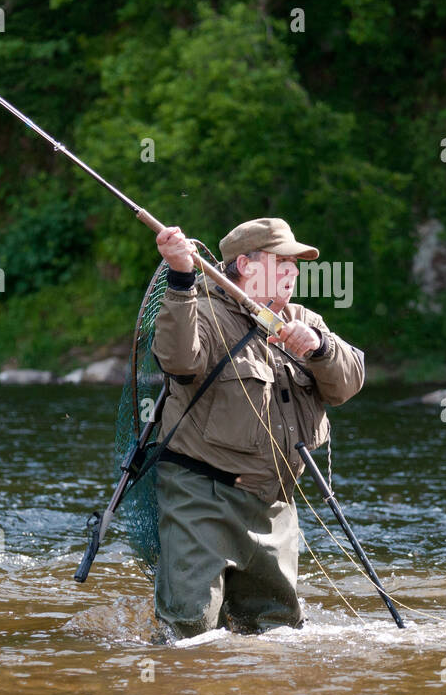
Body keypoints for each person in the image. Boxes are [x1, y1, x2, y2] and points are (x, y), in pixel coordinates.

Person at [150, 217, 365, 640]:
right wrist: (179, 276)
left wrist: (320, 348)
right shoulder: (201, 309)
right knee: (189, 634)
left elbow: (348, 383)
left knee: (276, 635)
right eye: (283, 262)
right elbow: (177, 359)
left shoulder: (303, 318)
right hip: (202, 497)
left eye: (296, 264)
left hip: (274, 507)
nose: (295, 272)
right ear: (246, 265)